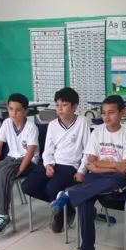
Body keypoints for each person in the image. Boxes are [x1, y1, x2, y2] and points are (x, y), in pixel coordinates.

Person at [51, 95, 126, 250]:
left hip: (118, 181)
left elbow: (125, 169)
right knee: (85, 203)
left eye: (111, 113)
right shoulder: (97, 132)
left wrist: (100, 167)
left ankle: (69, 194)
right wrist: (111, 165)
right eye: (103, 113)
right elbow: (92, 161)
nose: (106, 117)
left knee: (110, 182)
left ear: (122, 113)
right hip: (98, 177)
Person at [21, 88, 89, 233]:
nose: (60, 109)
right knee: (27, 186)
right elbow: (48, 150)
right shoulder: (52, 125)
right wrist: (48, 165)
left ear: (74, 106)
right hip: (53, 163)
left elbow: (88, 151)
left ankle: (60, 214)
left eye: (64, 105)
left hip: (70, 165)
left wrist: (82, 170)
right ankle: (65, 204)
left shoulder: (82, 122)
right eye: (57, 105)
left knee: (52, 188)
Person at [0, 93, 40, 235]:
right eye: (10, 109)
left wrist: (20, 170)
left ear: (26, 111)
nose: (13, 113)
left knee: (4, 175)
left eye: (18, 110)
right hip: (11, 158)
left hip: (26, 161)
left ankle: (4, 215)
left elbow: (30, 153)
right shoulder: (7, 123)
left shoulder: (31, 127)